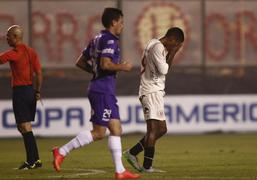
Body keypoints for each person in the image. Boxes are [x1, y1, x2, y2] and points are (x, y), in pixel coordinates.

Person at [51, 7, 140, 179]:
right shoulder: (111, 40)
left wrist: (95, 71)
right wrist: (123, 66)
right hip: (102, 90)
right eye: (121, 22)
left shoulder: (97, 38)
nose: (123, 25)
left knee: (116, 129)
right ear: (114, 22)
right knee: (99, 132)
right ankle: (61, 151)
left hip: (102, 89)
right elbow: (106, 64)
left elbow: (80, 62)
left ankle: (120, 171)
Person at [124, 27, 184, 172]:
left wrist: (171, 50)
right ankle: (147, 166)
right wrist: (174, 52)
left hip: (154, 91)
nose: (174, 47)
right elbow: (164, 70)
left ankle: (131, 153)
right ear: (172, 39)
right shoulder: (158, 47)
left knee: (161, 129)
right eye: (175, 44)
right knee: (153, 130)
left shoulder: (154, 43)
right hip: (150, 91)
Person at [0, 25, 43, 169]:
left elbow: (1, 59)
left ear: (15, 37)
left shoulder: (15, 53)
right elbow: (39, 74)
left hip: (20, 92)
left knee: (24, 126)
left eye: (8, 36)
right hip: (31, 91)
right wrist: (37, 92)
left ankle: (33, 160)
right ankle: (34, 159)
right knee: (22, 126)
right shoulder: (32, 52)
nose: (6, 38)